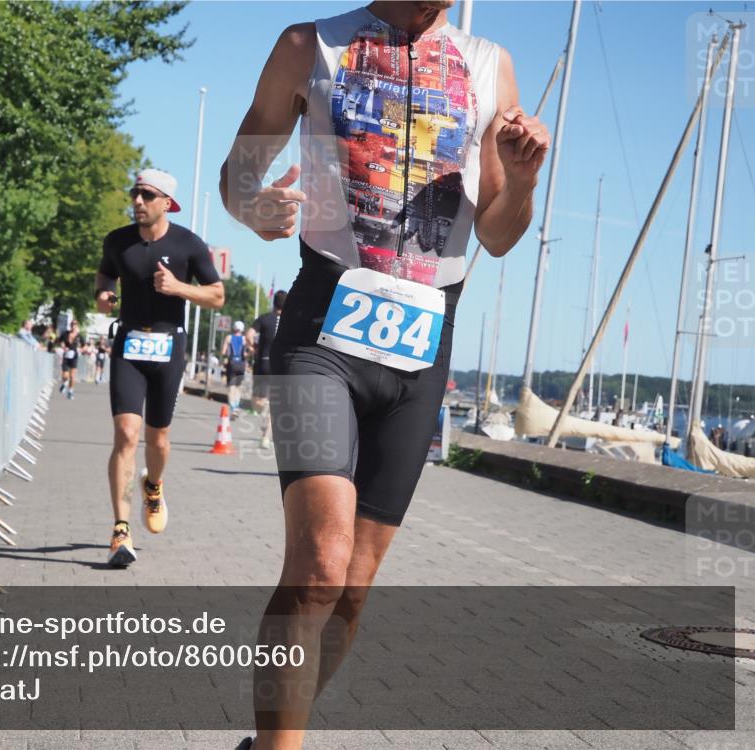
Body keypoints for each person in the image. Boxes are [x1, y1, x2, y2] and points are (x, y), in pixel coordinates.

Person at [219, 2, 550, 747]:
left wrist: (523, 183)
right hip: (320, 330)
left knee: (352, 590)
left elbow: (495, 234)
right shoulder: (308, 45)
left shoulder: (491, 65)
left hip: (422, 344)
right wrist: (253, 208)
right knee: (317, 568)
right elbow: (236, 177)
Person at [96, 168, 225, 567]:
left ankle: (153, 486)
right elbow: (106, 272)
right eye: (135, 193)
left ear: (167, 203)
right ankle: (120, 530)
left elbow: (217, 296)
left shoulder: (189, 244)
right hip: (130, 343)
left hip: (170, 345)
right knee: (125, 433)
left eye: (147, 195)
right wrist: (103, 293)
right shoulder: (118, 241)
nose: (137, 201)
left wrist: (179, 288)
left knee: (159, 439)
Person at [248, 290, 287, 449]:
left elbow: (249, 334)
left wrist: (253, 348)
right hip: (281, 365)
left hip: (263, 362)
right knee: (274, 403)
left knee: (257, 401)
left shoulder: (264, 319)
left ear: (273, 303)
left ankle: (265, 426)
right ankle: (266, 436)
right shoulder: (290, 321)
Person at [221, 320, 249, 418]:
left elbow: (223, 352)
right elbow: (247, 353)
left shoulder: (229, 338)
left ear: (234, 327)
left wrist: (226, 356)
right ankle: (236, 406)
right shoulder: (245, 339)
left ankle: (233, 408)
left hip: (232, 363)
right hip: (241, 364)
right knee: (238, 386)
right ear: (242, 329)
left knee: (231, 386)